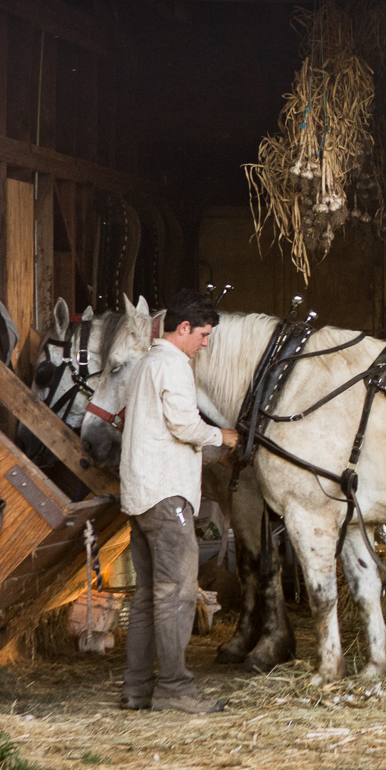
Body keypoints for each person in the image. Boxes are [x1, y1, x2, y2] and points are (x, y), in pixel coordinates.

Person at [119, 290, 241, 713]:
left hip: (141, 495)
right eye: (203, 335)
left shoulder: (145, 365)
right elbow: (185, 425)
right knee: (177, 594)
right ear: (184, 329)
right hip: (166, 494)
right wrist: (222, 436)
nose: (206, 343)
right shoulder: (173, 365)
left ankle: (136, 688)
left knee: (148, 594)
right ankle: (174, 690)